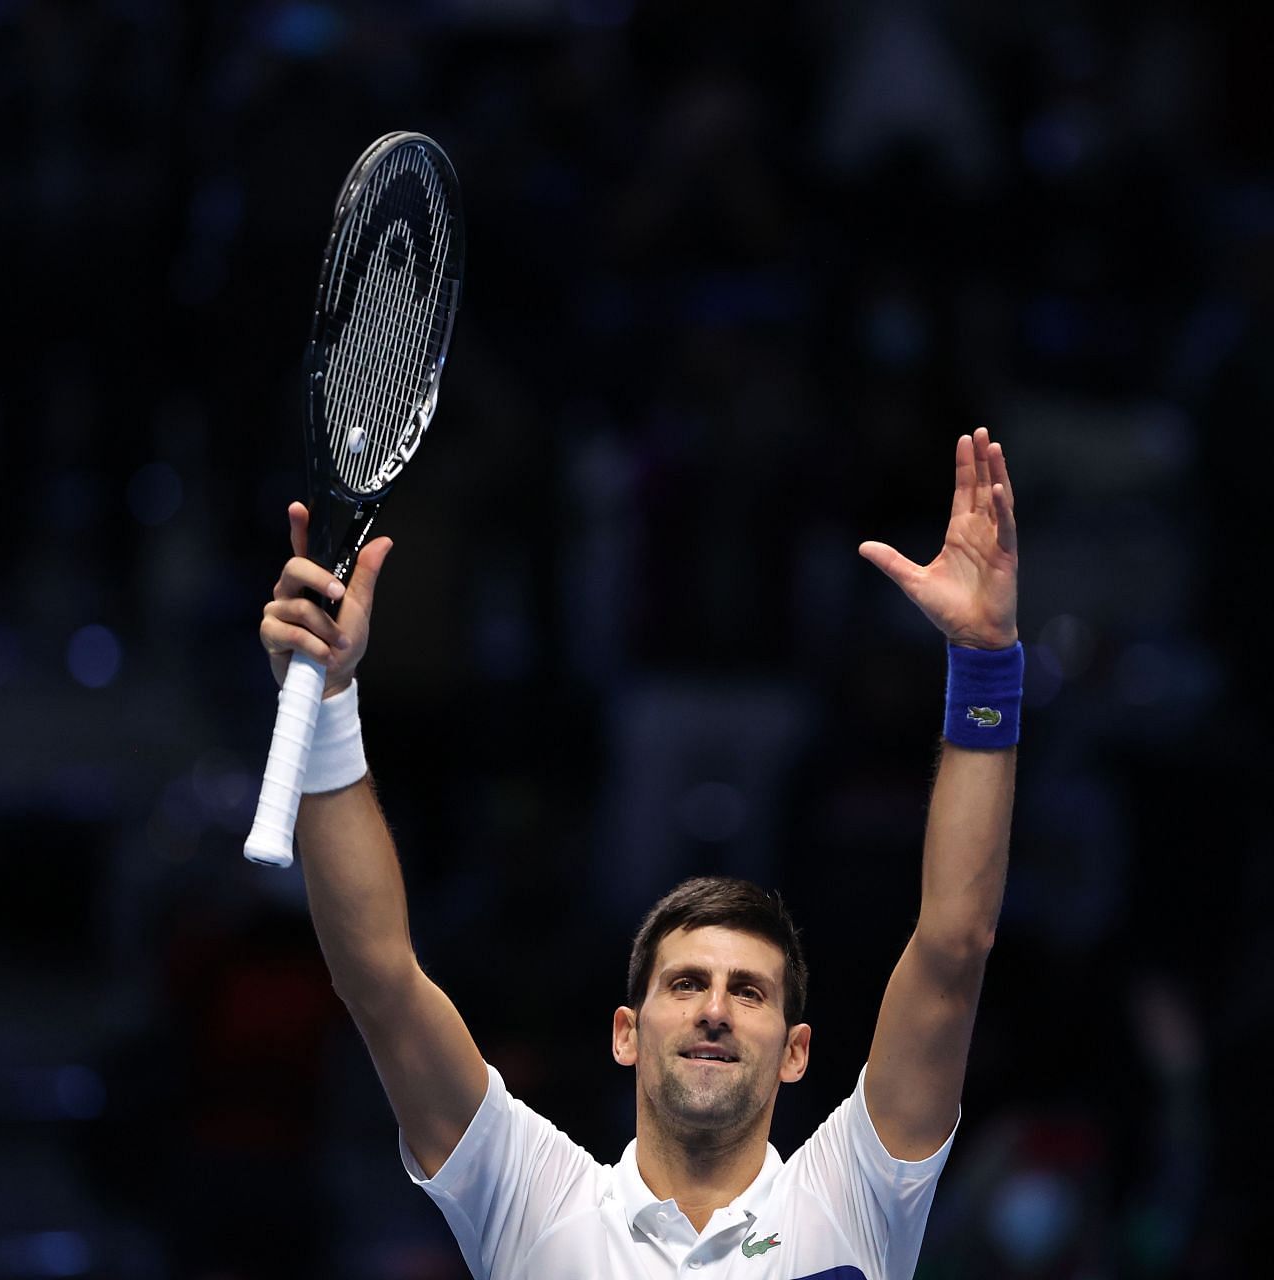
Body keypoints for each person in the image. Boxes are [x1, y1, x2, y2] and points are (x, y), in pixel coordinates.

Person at [258, 428, 1022, 1278]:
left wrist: (985, 666)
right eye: (686, 982)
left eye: (750, 991)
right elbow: (380, 978)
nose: (714, 1010)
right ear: (626, 1032)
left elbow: (954, 948)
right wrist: (327, 700)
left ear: (796, 1050)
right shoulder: (532, 1199)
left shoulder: (857, 1194)